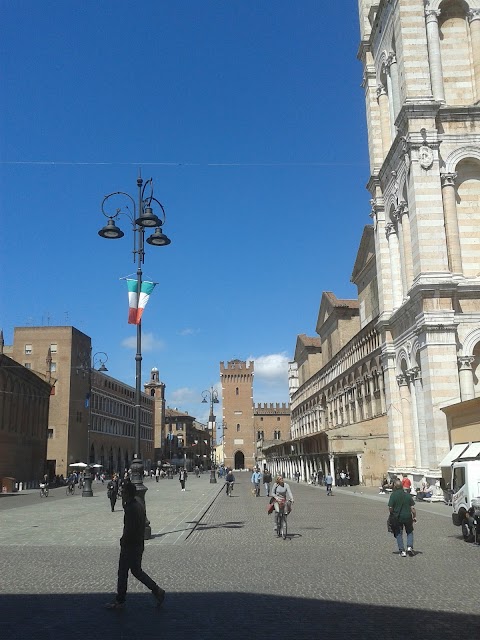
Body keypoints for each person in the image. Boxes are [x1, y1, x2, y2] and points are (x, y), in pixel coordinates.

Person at [105, 482, 165, 609]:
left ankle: (120, 601)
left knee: (123, 572)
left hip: (130, 545)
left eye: (123, 492)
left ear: (128, 493)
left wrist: (123, 540)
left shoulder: (131, 508)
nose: (121, 494)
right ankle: (157, 590)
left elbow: (129, 528)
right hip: (138, 543)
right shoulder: (137, 504)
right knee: (137, 571)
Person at [388, 478, 417, 557]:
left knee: (398, 533)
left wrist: (392, 514)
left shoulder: (393, 495)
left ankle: (402, 551)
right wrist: (414, 516)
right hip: (408, 516)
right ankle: (409, 547)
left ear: (395, 486)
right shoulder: (407, 495)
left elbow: (390, 507)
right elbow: (413, 508)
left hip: (397, 517)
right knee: (409, 531)